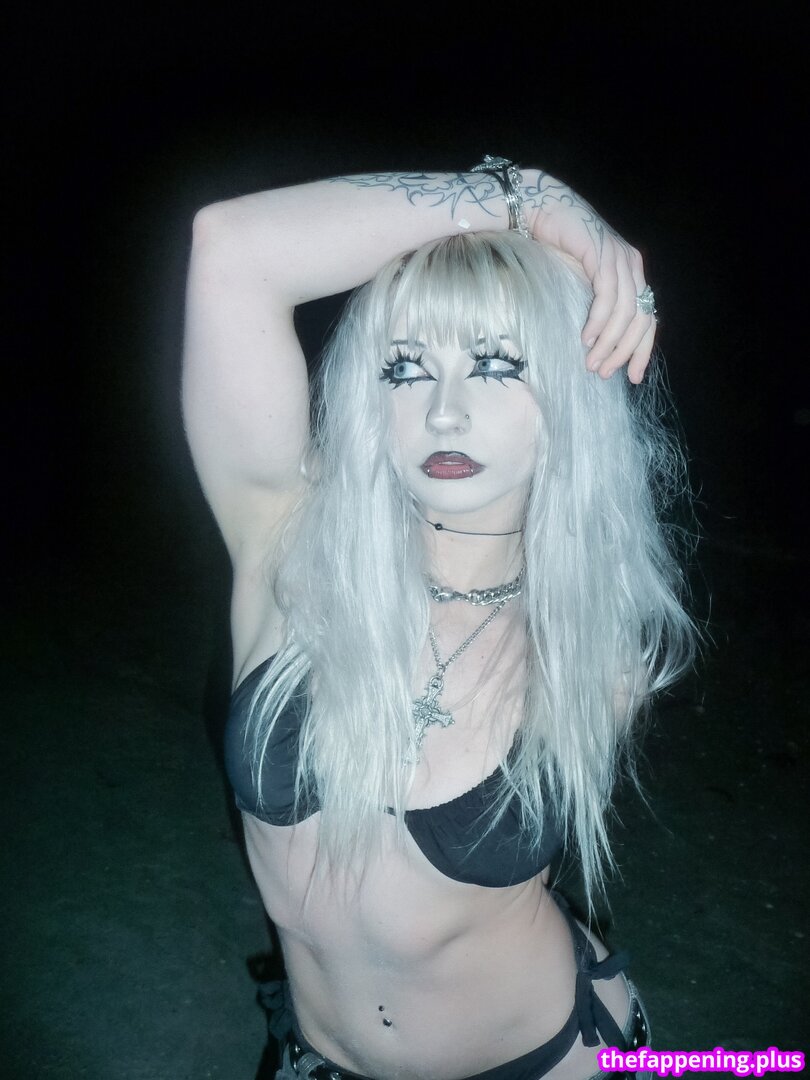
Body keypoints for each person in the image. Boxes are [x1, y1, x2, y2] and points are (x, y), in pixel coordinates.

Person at [182, 157, 695, 1080]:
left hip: (549, 1057)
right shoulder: (292, 554)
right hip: (316, 1059)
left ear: (571, 395)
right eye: (407, 368)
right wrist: (530, 196)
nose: (444, 411)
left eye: (496, 366)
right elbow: (234, 247)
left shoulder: (591, 641)